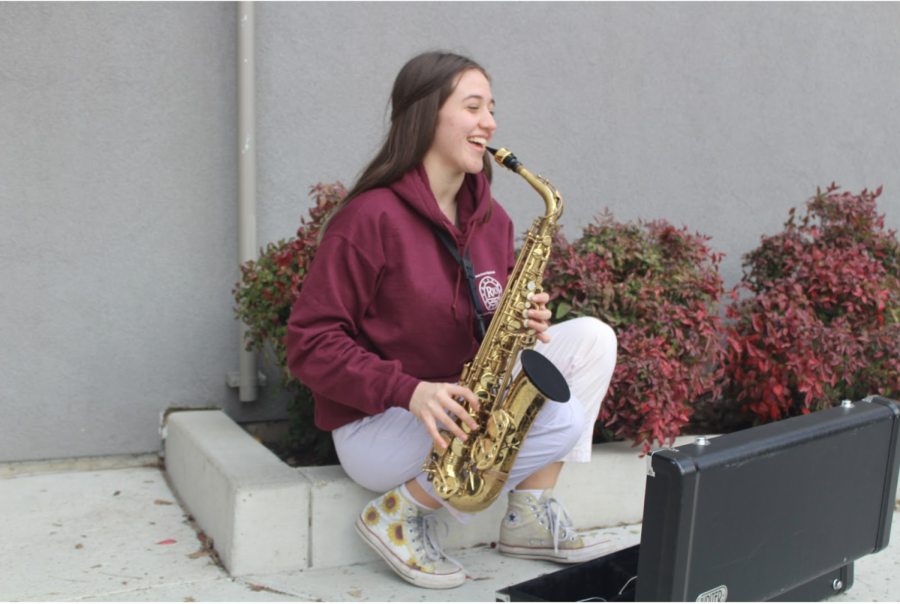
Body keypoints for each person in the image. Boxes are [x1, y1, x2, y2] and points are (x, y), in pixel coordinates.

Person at [286, 51, 618, 590]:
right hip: (381, 423)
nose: (489, 122)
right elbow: (309, 343)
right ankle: (398, 514)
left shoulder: (494, 219)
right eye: (473, 106)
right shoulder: (369, 219)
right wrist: (409, 390)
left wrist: (522, 317)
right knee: (558, 419)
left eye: (491, 108)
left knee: (592, 340)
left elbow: (486, 314)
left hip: (459, 405)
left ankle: (527, 513)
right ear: (425, 116)